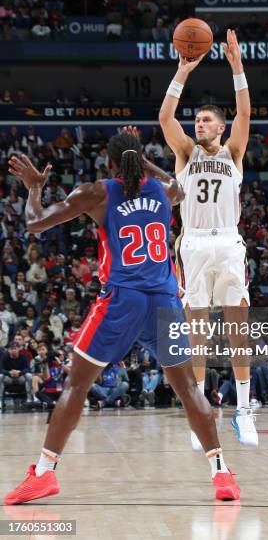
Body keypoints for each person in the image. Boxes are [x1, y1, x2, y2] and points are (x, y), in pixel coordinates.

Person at [4, 132, 240, 505]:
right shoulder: (164, 192)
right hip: (165, 300)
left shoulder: (96, 191)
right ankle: (221, 473)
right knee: (189, 389)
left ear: (110, 164)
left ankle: (45, 473)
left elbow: (36, 223)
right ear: (139, 159)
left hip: (122, 300)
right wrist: (143, 159)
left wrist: (34, 188)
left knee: (76, 387)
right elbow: (177, 184)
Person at [159, 29, 257, 450]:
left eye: (205, 120)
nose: (198, 124)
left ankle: (244, 409)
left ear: (220, 126)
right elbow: (166, 119)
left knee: (238, 324)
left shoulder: (233, 152)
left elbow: (245, 116)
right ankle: (201, 413)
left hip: (229, 242)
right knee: (196, 331)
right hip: (194, 243)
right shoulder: (185, 153)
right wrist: (181, 73)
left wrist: (237, 68)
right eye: (196, 120)